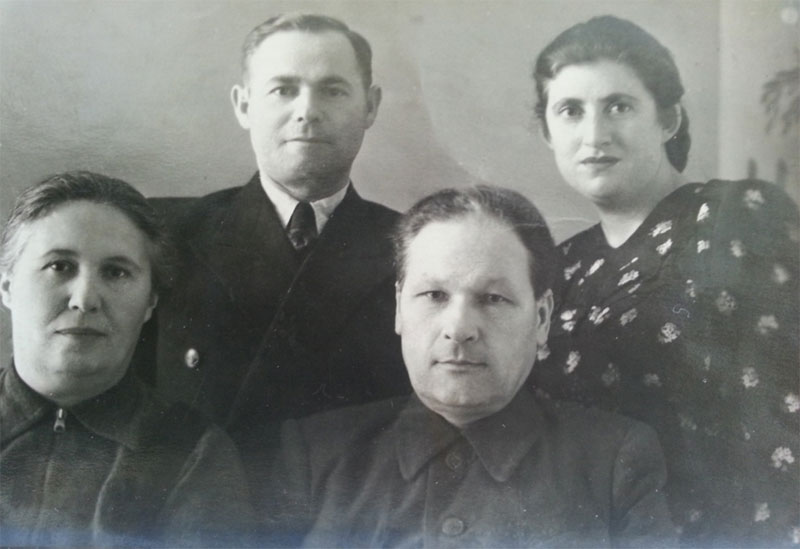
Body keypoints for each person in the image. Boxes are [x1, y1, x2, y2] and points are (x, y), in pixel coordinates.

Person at [255, 186, 676, 547]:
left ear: (542, 318)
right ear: (400, 307)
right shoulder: (315, 458)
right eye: (434, 295)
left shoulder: (614, 462)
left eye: (493, 299)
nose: (458, 329)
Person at [530, 15, 800, 546]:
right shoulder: (558, 266)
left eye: (619, 106)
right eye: (570, 111)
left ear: (669, 119)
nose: (594, 135)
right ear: (547, 132)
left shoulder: (737, 215)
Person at [139, 13, 410, 435]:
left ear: (370, 106)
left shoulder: (412, 248)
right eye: (284, 90)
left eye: (333, 90)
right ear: (244, 106)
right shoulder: (166, 235)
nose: (308, 111)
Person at [0, 172, 254, 547]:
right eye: (60, 266)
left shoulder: (193, 455)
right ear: (7, 285)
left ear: (150, 302)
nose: (85, 299)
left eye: (116, 272)